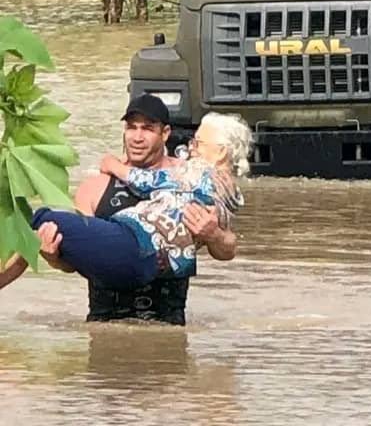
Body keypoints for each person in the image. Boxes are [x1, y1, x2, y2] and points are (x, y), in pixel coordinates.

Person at [22, 95, 237, 324]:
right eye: (131, 127)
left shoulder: (188, 179)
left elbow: (227, 250)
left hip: (168, 326)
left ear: (165, 133)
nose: (137, 137)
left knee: (36, 219)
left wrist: (214, 235)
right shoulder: (95, 186)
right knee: (37, 224)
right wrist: (54, 258)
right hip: (106, 326)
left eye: (147, 129)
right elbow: (77, 259)